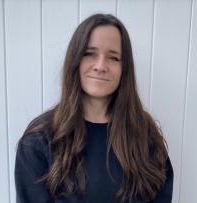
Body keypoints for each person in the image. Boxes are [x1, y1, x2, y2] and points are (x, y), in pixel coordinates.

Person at [15, 13, 174, 203]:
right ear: (75, 60)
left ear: (125, 69)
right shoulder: (39, 140)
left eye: (113, 58)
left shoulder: (145, 134)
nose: (100, 66)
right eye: (89, 54)